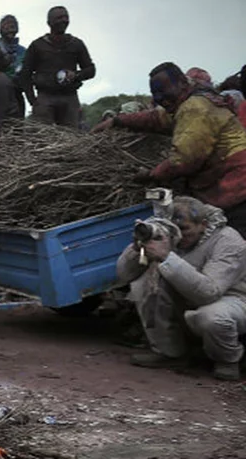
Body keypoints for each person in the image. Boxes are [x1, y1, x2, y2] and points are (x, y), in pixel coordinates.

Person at [94, 62, 246, 237]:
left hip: (236, 191)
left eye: (163, 91)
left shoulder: (195, 108)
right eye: (155, 93)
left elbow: (183, 160)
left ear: (182, 82)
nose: (160, 98)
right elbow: (156, 118)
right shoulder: (184, 100)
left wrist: (151, 174)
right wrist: (117, 121)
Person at [117, 197, 246, 380]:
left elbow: (208, 293)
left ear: (203, 224)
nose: (180, 236)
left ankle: (228, 360)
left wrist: (166, 257)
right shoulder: (167, 233)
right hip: (189, 295)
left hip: (233, 299)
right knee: (143, 283)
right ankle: (170, 352)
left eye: (185, 229)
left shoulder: (228, 241)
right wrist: (137, 249)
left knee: (213, 317)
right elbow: (124, 275)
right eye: (174, 229)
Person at [18, 6, 95, 129]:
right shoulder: (37, 45)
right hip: (45, 98)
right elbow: (25, 74)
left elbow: (91, 70)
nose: (64, 20)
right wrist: (33, 100)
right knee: (43, 140)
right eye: (59, 18)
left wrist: (76, 75)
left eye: (66, 17)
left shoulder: (76, 44)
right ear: (49, 22)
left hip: (70, 97)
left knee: (70, 139)